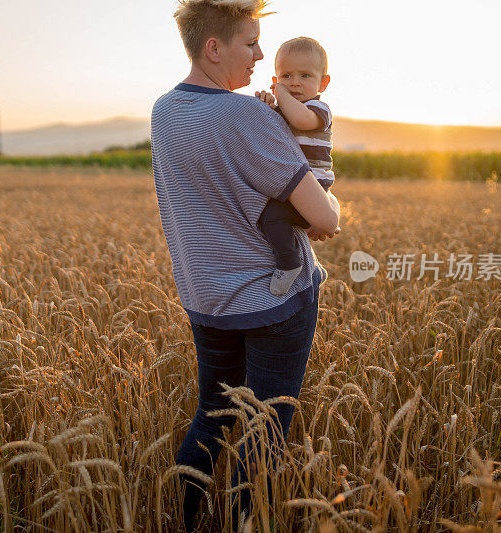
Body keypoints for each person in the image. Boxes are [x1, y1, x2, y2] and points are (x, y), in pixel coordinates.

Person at [150, 0, 341, 530]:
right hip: (274, 303)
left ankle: (183, 519)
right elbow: (323, 213)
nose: (262, 57)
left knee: (211, 416)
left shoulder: (164, 110)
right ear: (214, 47)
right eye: (251, 43)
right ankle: (242, 523)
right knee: (266, 430)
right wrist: (330, 214)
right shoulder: (248, 115)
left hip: (206, 300)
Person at [254, 36, 336, 295]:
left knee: (271, 215)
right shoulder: (284, 108)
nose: (295, 83)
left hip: (312, 185)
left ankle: (289, 262)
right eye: (286, 75)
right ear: (276, 77)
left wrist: (280, 92)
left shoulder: (318, 109)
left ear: (323, 83)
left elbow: (300, 120)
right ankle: (302, 258)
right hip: (293, 183)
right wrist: (267, 105)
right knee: (270, 214)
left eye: (305, 76)